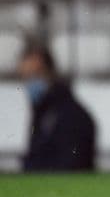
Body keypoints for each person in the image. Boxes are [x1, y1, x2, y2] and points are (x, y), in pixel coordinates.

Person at [18, 41, 97, 172]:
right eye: (25, 77)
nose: (30, 82)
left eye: (36, 74)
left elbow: (72, 165)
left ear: (50, 72)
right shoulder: (42, 111)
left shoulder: (71, 115)